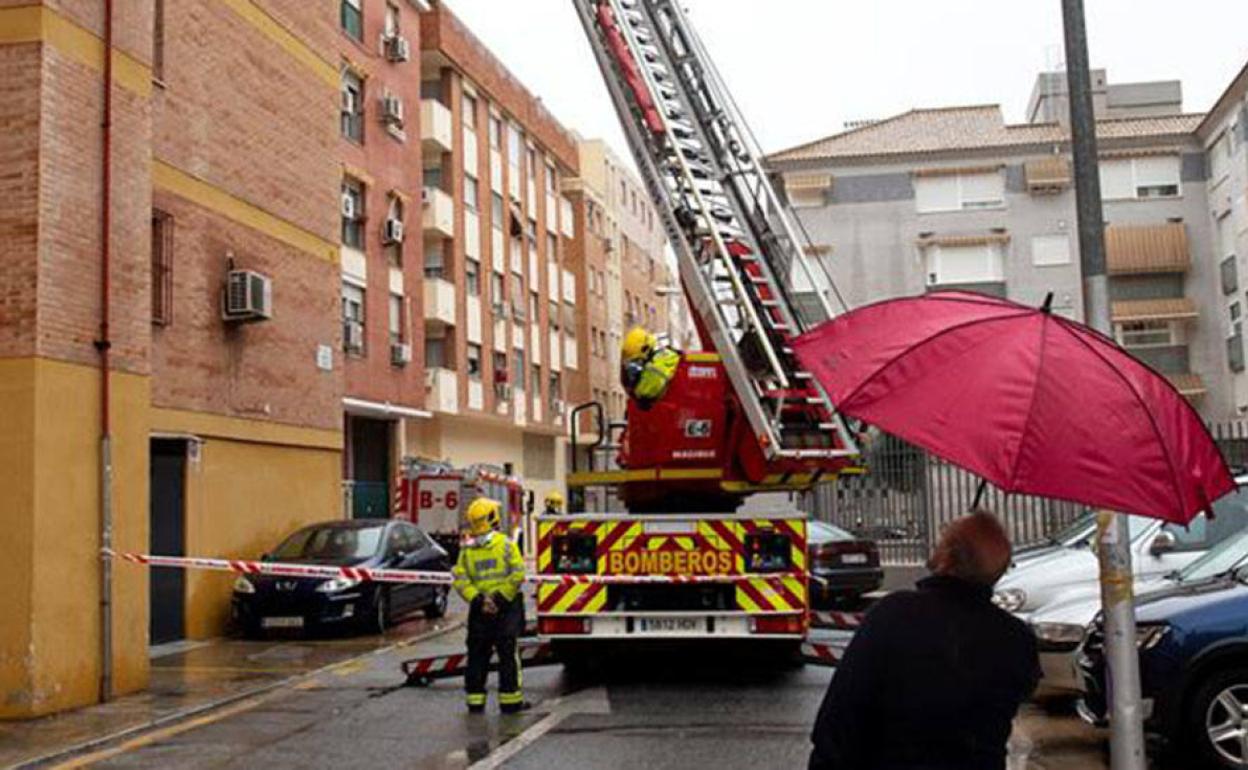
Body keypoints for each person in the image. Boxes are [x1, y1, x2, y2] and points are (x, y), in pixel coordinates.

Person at [808, 511, 1039, 770]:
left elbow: (840, 718)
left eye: (944, 533)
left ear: (947, 557)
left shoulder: (893, 616)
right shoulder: (1017, 639)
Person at [452, 497, 529, 714]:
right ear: (492, 518)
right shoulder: (506, 545)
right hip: (505, 609)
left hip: (479, 612)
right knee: (508, 656)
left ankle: (475, 702)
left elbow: (460, 580)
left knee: (477, 656)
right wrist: (499, 599)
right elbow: (518, 574)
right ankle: (510, 701)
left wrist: (479, 600)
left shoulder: (467, 550)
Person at [620, 326, 680, 407]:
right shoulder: (666, 355)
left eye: (638, 360)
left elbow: (646, 393)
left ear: (645, 349)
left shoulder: (659, 363)